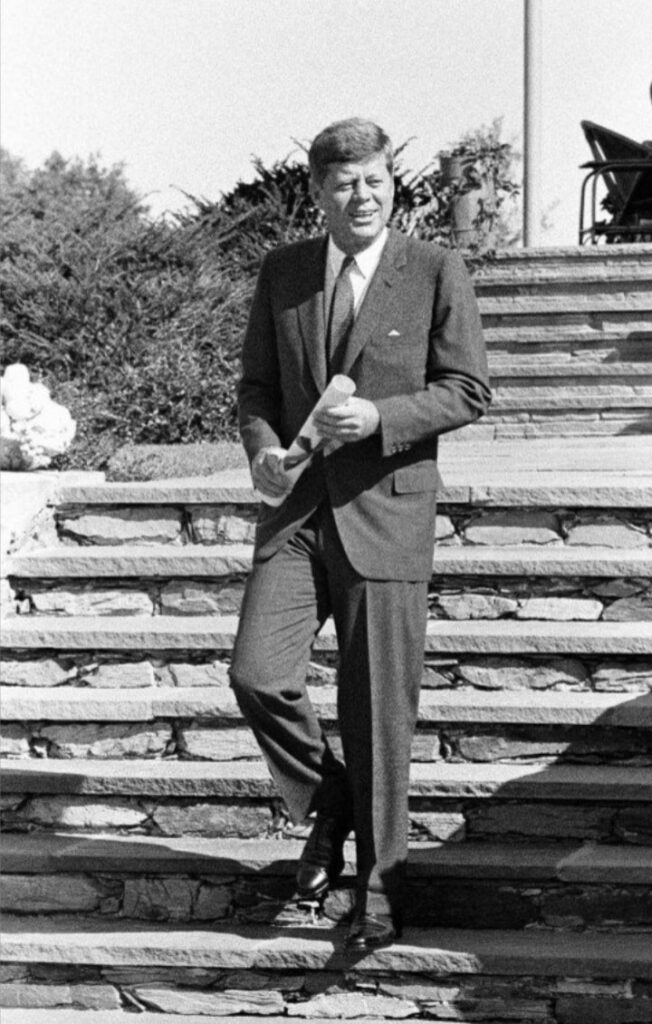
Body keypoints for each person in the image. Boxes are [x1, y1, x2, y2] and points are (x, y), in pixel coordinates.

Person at [230, 117, 491, 952]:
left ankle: (378, 893)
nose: (363, 196)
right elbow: (257, 389)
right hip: (297, 514)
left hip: (387, 511)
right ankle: (331, 801)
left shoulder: (435, 269)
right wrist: (262, 450)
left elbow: (468, 388)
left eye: (376, 180)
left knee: (377, 710)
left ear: (392, 184)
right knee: (258, 674)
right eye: (345, 184)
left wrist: (381, 416)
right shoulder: (284, 272)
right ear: (318, 193)